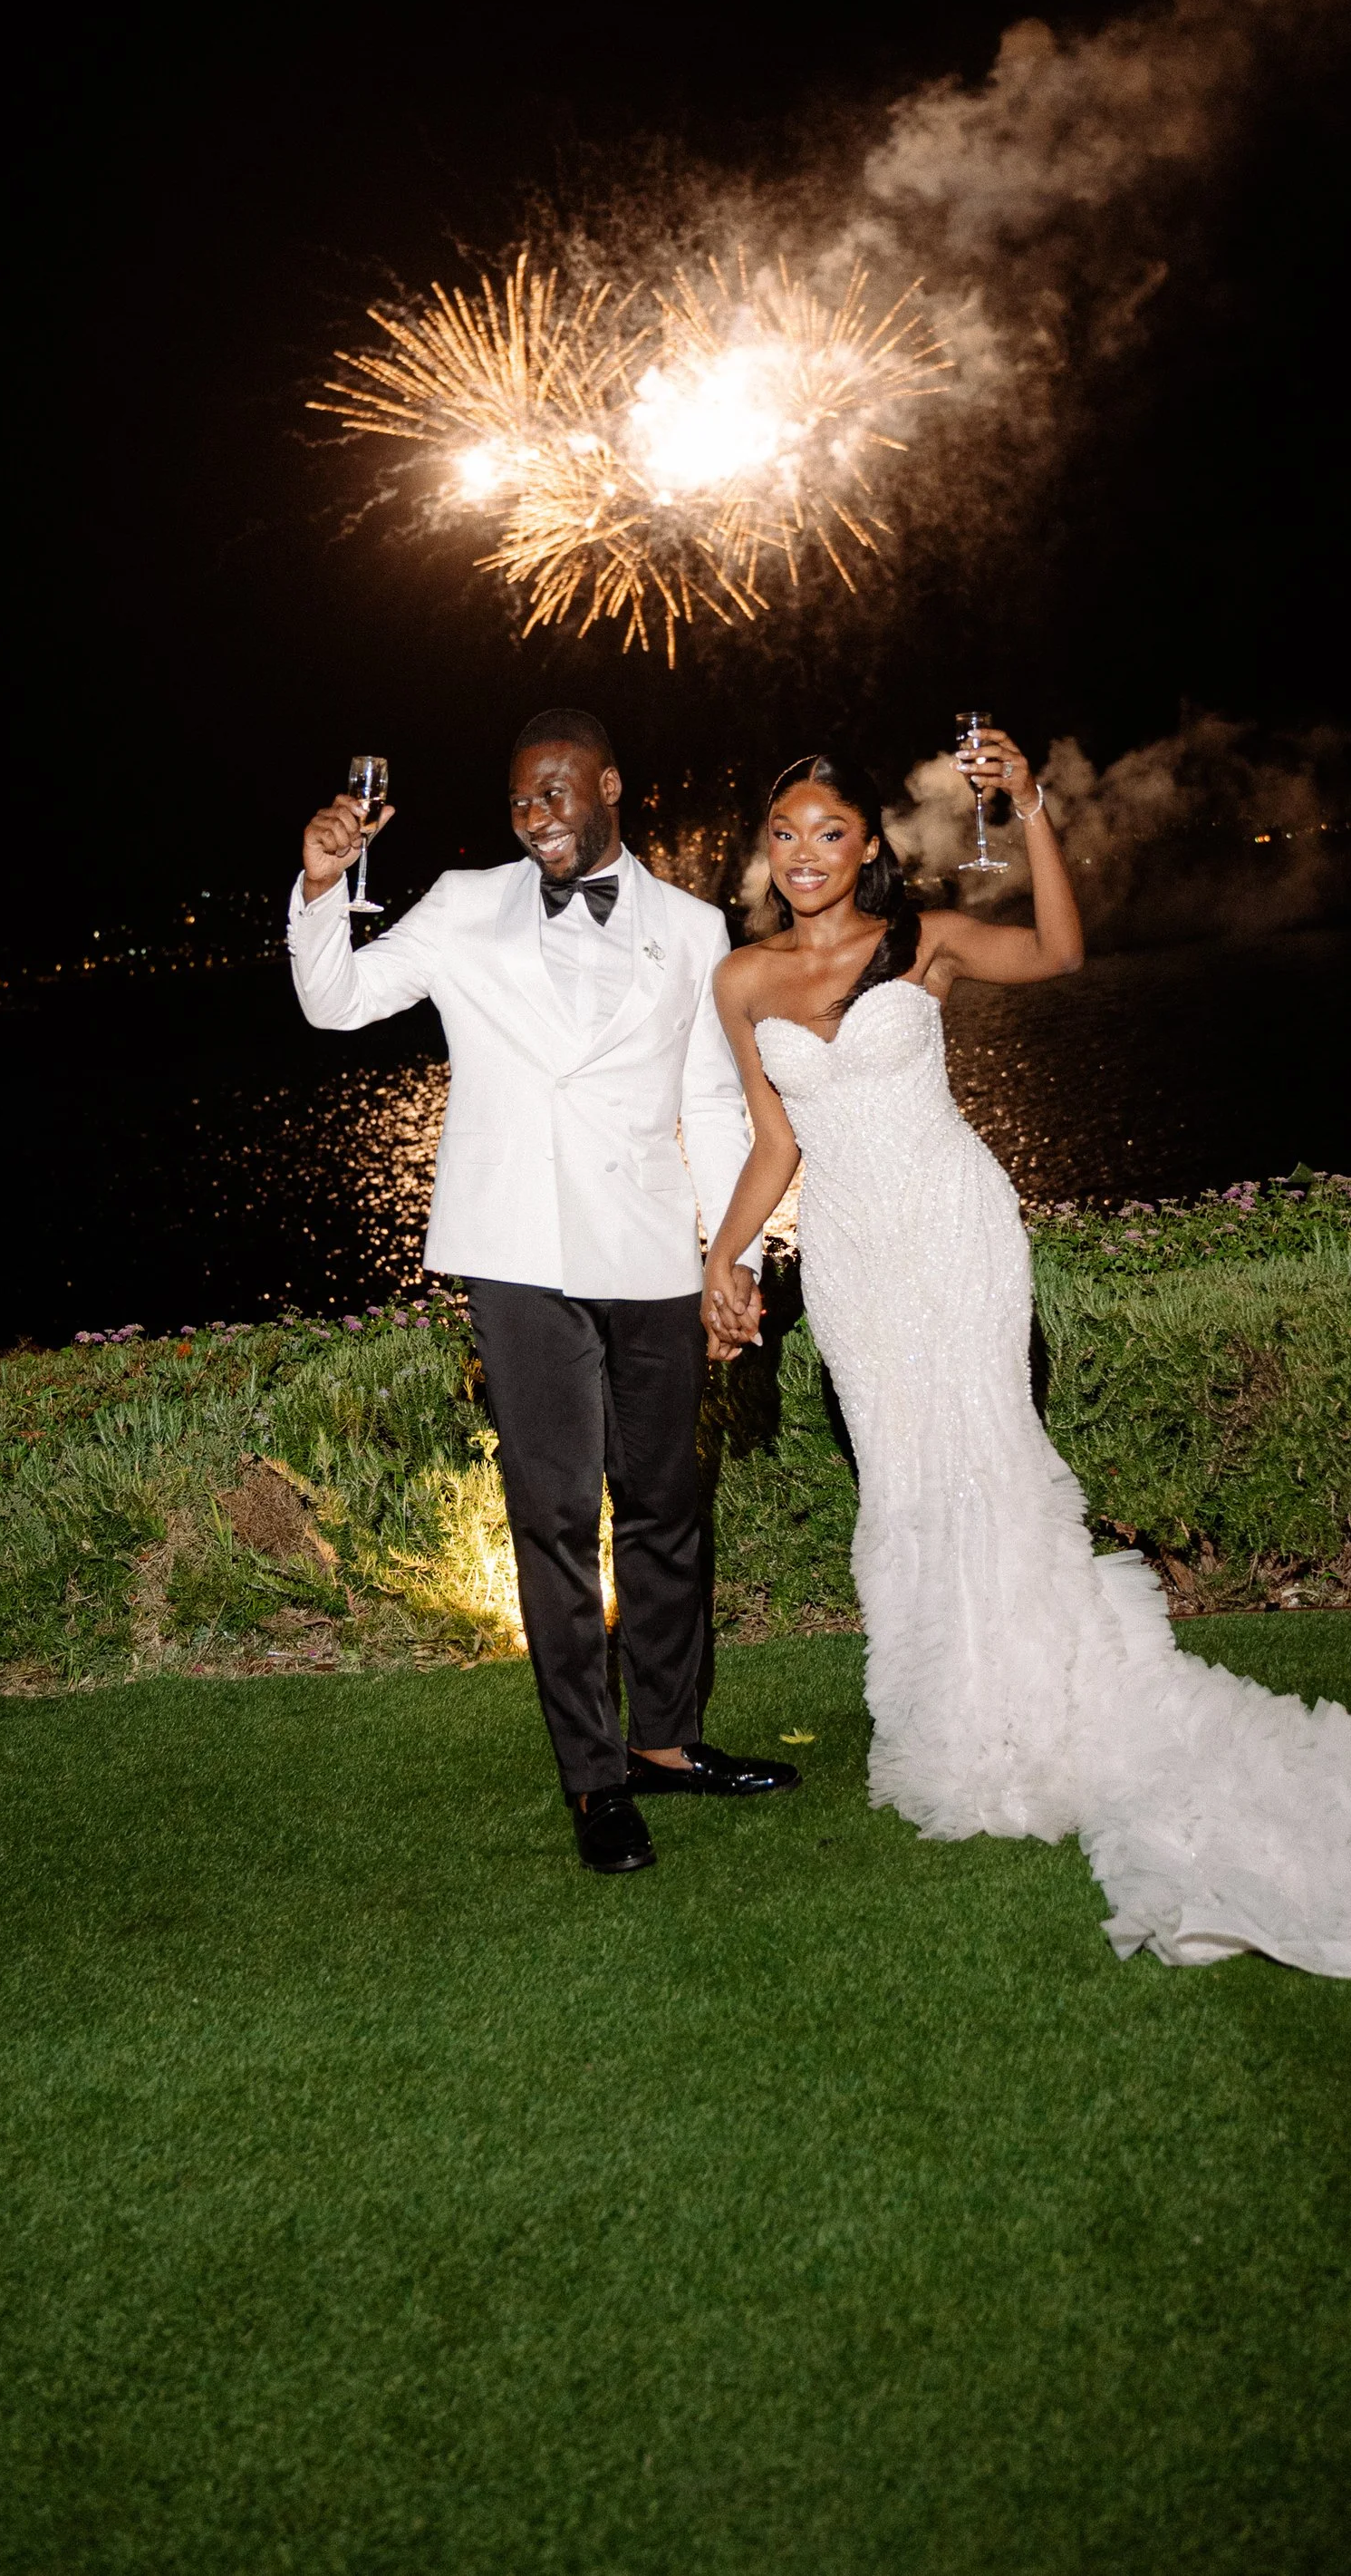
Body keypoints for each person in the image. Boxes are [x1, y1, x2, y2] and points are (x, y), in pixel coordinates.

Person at [701, 733, 1351, 2003]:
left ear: (874, 844)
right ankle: (952, 1718)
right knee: (906, 1478)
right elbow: (771, 1141)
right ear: (770, 850)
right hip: (855, 1262)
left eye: (831, 832)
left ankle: (1041, 1701)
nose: (805, 855)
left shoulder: (932, 940)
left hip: (961, 1235)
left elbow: (1066, 952)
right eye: (787, 834)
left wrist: (1028, 812)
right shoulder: (741, 980)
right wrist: (725, 1254)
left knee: (991, 1454)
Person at [289, 708, 799, 1874]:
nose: (536, 818)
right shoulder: (468, 904)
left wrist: (735, 1255)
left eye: (556, 794)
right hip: (515, 1255)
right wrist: (320, 887)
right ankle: (593, 1776)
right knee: (557, 1522)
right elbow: (337, 1003)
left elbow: (717, 1106)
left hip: (654, 1254)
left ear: (609, 787)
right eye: (520, 800)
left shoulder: (690, 924)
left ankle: (669, 1743)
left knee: (668, 1503)